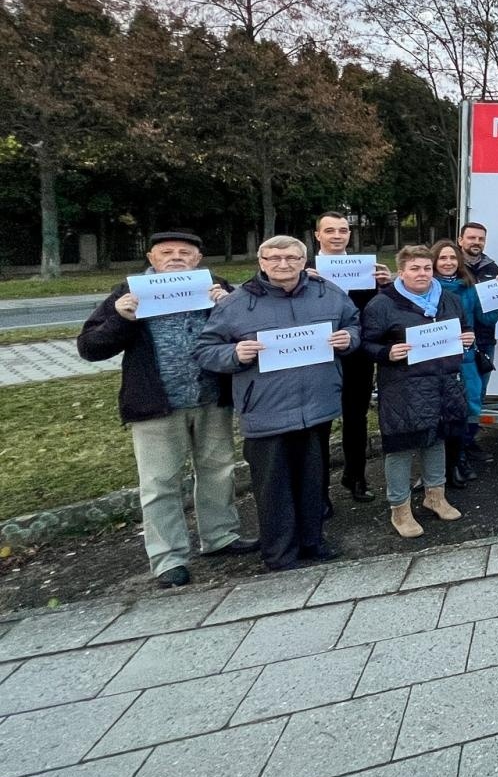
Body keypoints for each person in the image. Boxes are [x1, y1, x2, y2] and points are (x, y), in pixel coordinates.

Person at [77, 231, 256, 587]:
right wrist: (120, 317)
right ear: (151, 258)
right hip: (157, 404)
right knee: (160, 483)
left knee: (218, 470)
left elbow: (248, 331)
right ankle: (168, 558)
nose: (176, 257)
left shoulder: (215, 286)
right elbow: (90, 347)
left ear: (198, 259)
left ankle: (220, 536)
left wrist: (232, 305)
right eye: (167, 252)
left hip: (211, 398)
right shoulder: (128, 291)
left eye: (185, 253)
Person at [195, 236, 358, 571]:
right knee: (273, 488)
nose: (283, 264)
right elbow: (204, 350)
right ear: (261, 262)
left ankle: (313, 542)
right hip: (265, 411)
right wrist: (233, 354)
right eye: (274, 258)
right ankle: (279, 554)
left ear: (303, 260)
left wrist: (349, 339)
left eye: (291, 258)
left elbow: (353, 323)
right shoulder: (235, 304)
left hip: (316, 406)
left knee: (313, 480)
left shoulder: (328, 293)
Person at [362, 244, 473, 538]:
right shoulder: (382, 304)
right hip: (404, 386)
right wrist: (387, 352)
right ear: (402, 271)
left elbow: (463, 327)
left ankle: (435, 496)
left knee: (436, 439)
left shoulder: (447, 299)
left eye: (426, 267)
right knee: (400, 446)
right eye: (414, 268)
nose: (422, 273)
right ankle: (400, 509)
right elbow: (366, 344)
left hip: (443, 383)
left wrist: (466, 338)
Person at [310, 212, 391, 503]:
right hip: (316, 357)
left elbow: (377, 312)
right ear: (317, 235)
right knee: (319, 424)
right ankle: (318, 491)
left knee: (355, 418)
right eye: (329, 230)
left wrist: (385, 285)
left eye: (342, 230)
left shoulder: (364, 268)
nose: (336, 235)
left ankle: (355, 476)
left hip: (356, 355)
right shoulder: (303, 269)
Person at [432, 238, 498, 487]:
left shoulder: (469, 287)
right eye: (443, 258)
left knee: (468, 407)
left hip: (466, 357)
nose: (448, 262)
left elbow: (485, 318)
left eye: (452, 258)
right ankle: (440, 465)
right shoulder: (425, 288)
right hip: (435, 360)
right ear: (434, 261)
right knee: (439, 412)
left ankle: (459, 457)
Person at [457, 221, 498, 459]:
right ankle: (457, 445)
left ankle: (469, 440)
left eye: (480, 239)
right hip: (459, 341)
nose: (476, 242)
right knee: (460, 392)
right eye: (471, 238)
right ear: (460, 240)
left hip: (485, 340)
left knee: (479, 392)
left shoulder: (491, 268)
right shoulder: (450, 266)